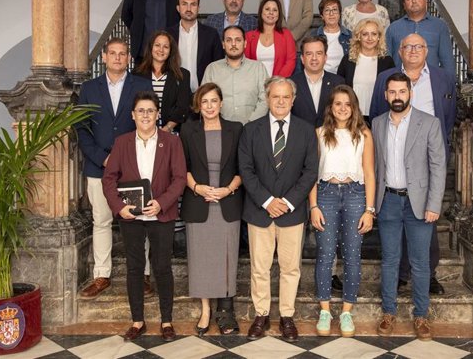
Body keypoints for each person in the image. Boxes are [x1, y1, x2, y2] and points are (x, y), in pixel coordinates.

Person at [369, 33, 456, 295]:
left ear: (427, 50)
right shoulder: (387, 79)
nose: (414, 51)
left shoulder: (442, 78)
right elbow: (376, 112)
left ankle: (426, 276)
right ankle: (397, 277)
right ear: (400, 51)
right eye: (408, 47)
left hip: (427, 153)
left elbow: (447, 118)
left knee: (424, 224)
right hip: (394, 154)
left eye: (419, 46)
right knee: (394, 235)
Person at [101, 91, 187, 342]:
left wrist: (161, 203)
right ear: (133, 115)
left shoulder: (172, 142)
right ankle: (137, 320)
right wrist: (119, 207)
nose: (146, 115)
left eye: (150, 110)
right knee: (135, 268)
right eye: (141, 110)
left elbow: (180, 178)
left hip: (162, 215)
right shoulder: (122, 142)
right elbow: (109, 179)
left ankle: (166, 320)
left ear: (158, 114)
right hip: (132, 217)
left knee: (162, 268)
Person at [238, 77, 319, 342]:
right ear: (267, 98)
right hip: (259, 211)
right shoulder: (251, 130)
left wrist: (287, 202)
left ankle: (286, 316)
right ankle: (261, 315)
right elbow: (246, 170)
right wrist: (267, 201)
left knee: (290, 268)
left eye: (286, 97)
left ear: (293, 100)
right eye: (276, 97)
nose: (281, 101)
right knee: (259, 268)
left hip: (291, 212)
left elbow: (310, 172)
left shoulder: (307, 131)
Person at [77, 38, 154, 300]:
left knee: (138, 221)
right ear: (105, 58)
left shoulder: (142, 85)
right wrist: (102, 157)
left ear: (129, 58)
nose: (118, 58)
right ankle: (101, 275)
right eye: (113, 53)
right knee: (101, 220)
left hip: (133, 167)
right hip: (99, 167)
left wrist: (126, 157)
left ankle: (142, 274)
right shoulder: (89, 88)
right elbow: (82, 128)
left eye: (122, 54)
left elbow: (148, 122)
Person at [373, 73, 446, 341]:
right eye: (392, 92)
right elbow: (373, 166)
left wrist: (434, 204)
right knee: (390, 260)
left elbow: (438, 167)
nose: (397, 97)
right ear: (385, 95)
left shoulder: (429, 123)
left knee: (420, 262)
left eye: (402, 92)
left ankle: (421, 315)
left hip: (419, 203)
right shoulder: (378, 124)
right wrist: (373, 205)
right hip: (388, 201)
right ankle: (388, 312)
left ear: (410, 93)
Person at [309, 85, 375, 338]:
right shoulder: (319, 133)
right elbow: (312, 175)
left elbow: (369, 172)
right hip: (325, 193)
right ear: (331, 107)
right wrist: (313, 206)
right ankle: (325, 310)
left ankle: (346, 311)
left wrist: (369, 209)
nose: (343, 108)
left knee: (352, 254)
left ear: (354, 107)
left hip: (355, 194)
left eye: (348, 104)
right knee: (325, 253)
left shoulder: (364, 135)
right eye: (338, 104)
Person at [180, 83, 244, 336]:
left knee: (227, 258)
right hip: (199, 202)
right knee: (201, 258)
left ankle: (225, 313)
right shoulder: (188, 130)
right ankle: (206, 310)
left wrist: (228, 189)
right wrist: (198, 188)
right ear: (198, 104)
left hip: (227, 202)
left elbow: (242, 169)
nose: (209, 106)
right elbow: (181, 167)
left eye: (213, 101)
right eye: (204, 101)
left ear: (221, 103)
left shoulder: (235, 129)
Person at [203, 25, 269, 124]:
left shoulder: (258, 68)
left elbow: (265, 99)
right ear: (223, 44)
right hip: (220, 128)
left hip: (253, 128)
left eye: (238, 40)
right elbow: (204, 99)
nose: (233, 44)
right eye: (229, 40)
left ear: (245, 43)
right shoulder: (212, 69)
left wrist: (250, 123)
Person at [386, 0, 455, 76]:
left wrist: (449, 85)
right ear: (404, 4)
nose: (414, 1)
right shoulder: (393, 28)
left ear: (426, 1)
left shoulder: (439, 26)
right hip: (399, 84)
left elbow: (447, 60)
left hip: (431, 82)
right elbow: (387, 60)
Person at [166, 0, 225, 92]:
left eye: (193, 4)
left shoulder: (211, 34)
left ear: (198, 8)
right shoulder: (168, 35)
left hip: (203, 94)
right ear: (178, 8)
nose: (189, 9)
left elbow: (219, 65)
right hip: (174, 94)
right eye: (184, 4)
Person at [337, 19, 395, 122]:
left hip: (379, 116)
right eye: (365, 34)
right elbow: (340, 88)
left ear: (379, 37)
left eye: (374, 34)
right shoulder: (348, 59)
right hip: (350, 115)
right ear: (358, 36)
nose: (370, 38)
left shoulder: (387, 62)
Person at [133, 30, 190, 133]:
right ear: (151, 48)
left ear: (171, 51)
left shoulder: (182, 75)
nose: (161, 50)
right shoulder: (136, 74)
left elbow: (182, 107)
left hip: (171, 133)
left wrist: (166, 129)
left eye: (166, 47)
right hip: (142, 133)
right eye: (157, 45)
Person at [290, 35, 345, 128]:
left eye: (319, 53)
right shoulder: (290, 83)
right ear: (302, 59)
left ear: (325, 57)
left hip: (330, 138)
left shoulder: (339, 83)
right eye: (309, 54)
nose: (314, 58)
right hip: (300, 139)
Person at [244, 0, 296, 77]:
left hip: (279, 83)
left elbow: (291, 61)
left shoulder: (286, 34)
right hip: (255, 83)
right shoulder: (249, 36)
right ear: (261, 12)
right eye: (267, 9)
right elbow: (246, 63)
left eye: (275, 10)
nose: (271, 12)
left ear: (279, 14)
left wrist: (276, 81)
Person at [315, 0, 351, 74]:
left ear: (339, 14)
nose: (331, 14)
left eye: (335, 10)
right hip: (320, 77)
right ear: (322, 16)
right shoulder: (314, 36)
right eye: (327, 10)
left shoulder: (350, 36)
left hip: (343, 79)